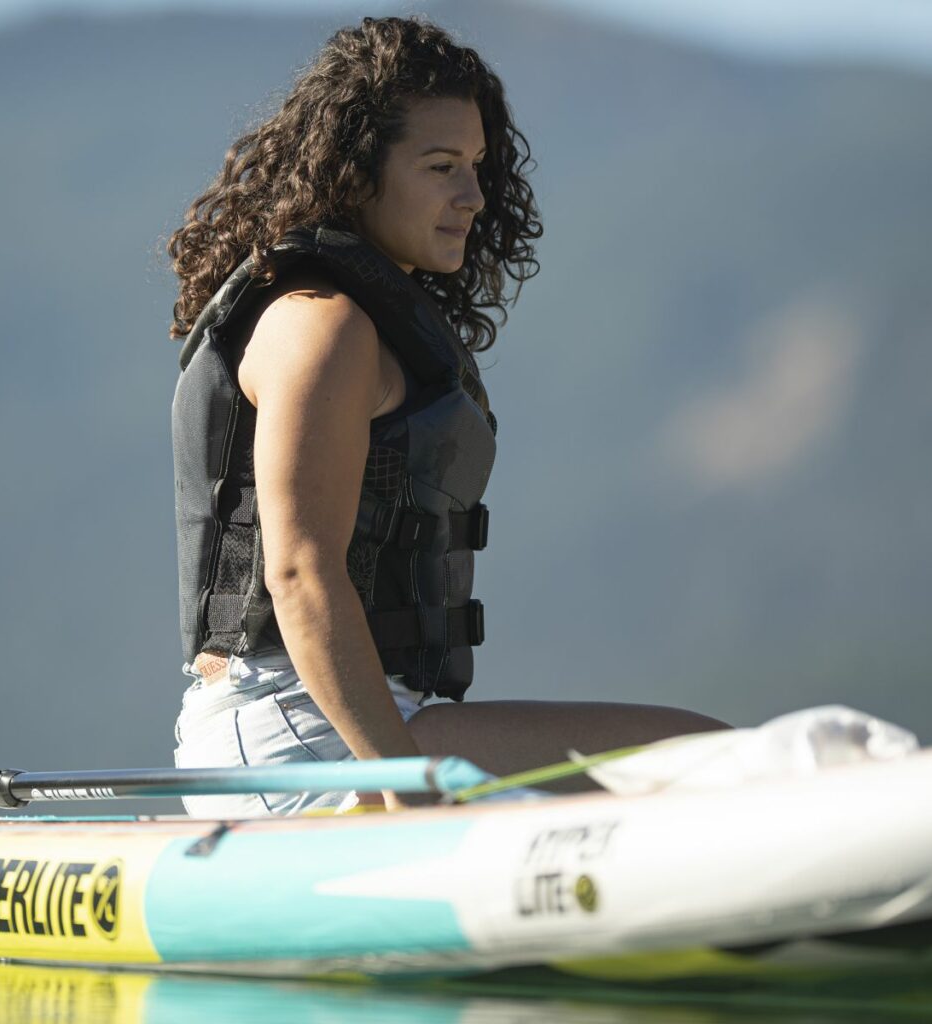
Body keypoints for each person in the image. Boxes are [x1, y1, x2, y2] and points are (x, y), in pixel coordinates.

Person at [166, 16, 725, 817]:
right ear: (357, 174)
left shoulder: (358, 319)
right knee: (713, 761)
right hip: (299, 733)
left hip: (338, 723)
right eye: (440, 167)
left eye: (476, 166)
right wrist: (405, 790)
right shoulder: (320, 323)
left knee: (707, 757)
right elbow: (298, 574)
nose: (471, 195)